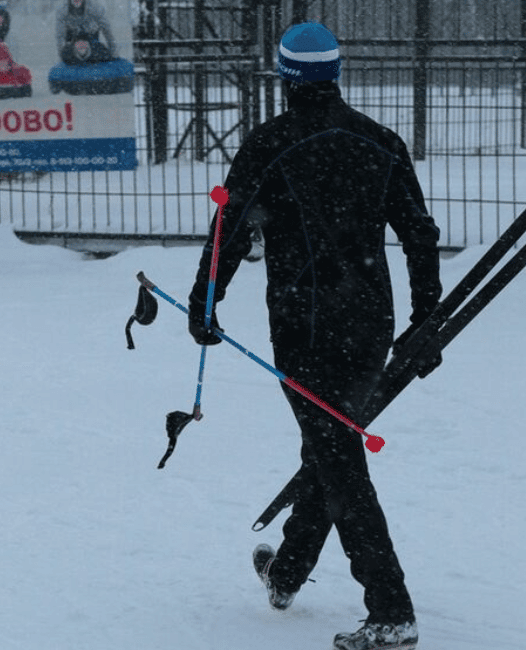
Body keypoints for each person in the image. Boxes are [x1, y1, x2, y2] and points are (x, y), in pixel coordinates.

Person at [185, 23, 442, 650]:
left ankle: (391, 609)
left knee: (337, 456)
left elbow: (231, 228)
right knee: (329, 446)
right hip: (370, 324)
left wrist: (205, 301)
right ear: (335, 72)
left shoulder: (268, 144)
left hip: (302, 325)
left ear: (285, 74)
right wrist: (423, 317)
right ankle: (288, 572)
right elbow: (419, 233)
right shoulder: (380, 143)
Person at [55, 0, 118, 65]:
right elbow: (60, 36)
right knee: (68, 56)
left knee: (100, 55)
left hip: (91, 36)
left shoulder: (95, 7)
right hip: (72, 38)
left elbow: (107, 30)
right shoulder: (62, 10)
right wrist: (61, 57)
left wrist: (114, 53)